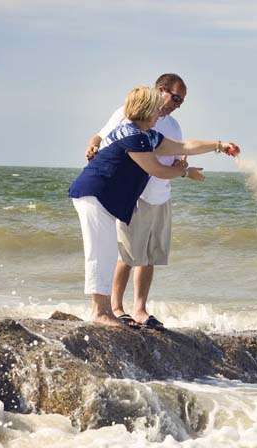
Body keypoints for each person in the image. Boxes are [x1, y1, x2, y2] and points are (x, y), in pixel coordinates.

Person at [69, 85, 239, 326]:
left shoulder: (147, 134)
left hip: (105, 199)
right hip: (94, 194)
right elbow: (156, 169)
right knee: (100, 253)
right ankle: (101, 313)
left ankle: (104, 310)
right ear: (145, 110)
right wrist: (180, 171)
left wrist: (219, 145)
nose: (160, 113)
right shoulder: (133, 135)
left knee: (106, 253)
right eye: (156, 109)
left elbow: (184, 147)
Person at [83, 74, 193, 329]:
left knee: (150, 255)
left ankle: (140, 309)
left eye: (182, 101)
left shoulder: (173, 126)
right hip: (137, 193)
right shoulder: (128, 113)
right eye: (175, 97)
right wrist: (92, 148)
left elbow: (179, 154)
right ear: (161, 90)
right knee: (128, 254)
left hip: (161, 196)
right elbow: (100, 136)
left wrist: (182, 165)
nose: (177, 104)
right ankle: (116, 307)